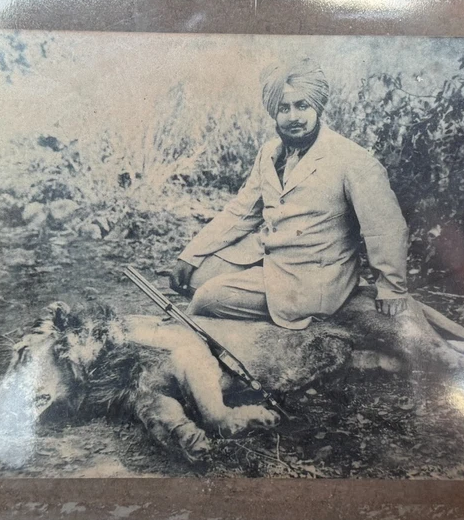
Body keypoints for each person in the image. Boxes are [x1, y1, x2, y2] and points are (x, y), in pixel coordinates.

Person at [170, 59, 410, 330]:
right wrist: (190, 255)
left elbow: (385, 227)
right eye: (284, 108)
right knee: (191, 278)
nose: (293, 117)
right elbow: (240, 212)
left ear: (317, 107)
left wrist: (392, 288)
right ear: (274, 112)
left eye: (302, 105)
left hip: (313, 277)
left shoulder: (352, 160)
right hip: (270, 257)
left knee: (207, 298)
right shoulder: (269, 153)